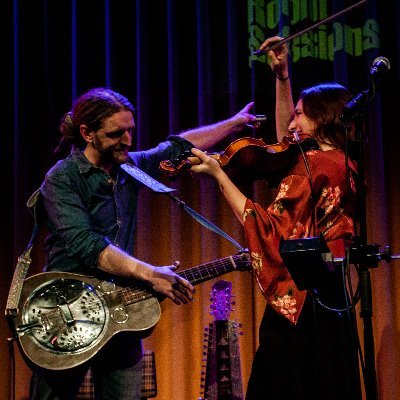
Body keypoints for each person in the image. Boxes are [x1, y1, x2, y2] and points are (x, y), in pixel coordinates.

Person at [28, 87, 258, 400]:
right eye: (116, 133)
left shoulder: (128, 166)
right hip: (66, 312)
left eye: (130, 130)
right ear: (87, 133)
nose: (127, 140)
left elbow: (176, 148)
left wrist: (233, 123)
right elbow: (88, 246)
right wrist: (150, 273)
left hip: (120, 312)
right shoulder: (63, 177)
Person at [190, 36, 362, 400]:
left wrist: (219, 176)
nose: (293, 120)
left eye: (301, 113)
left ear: (321, 118)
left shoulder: (312, 167)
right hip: (331, 295)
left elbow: (271, 229)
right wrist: (282, 78)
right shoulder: (342, 163)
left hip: (300, 301)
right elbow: (287, 141)